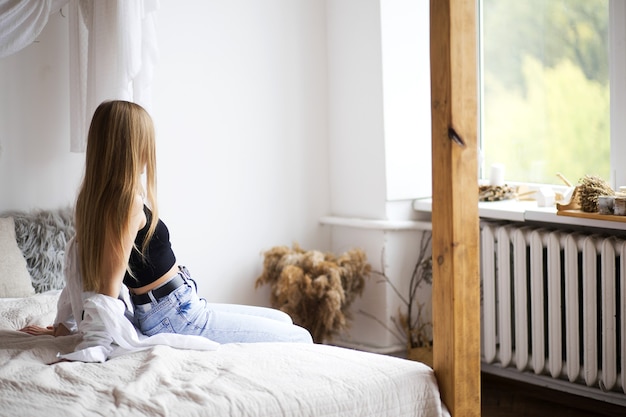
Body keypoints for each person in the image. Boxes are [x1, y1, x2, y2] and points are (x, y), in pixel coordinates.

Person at [21, 100, 313, 349]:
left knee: (282, 319)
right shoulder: (125, 204)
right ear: (132, 147)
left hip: (180, 304)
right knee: (299, 338)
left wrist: (63, 324)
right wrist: (92, 343)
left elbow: (80, 270)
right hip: (174, 314)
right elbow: (106, 286)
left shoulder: (98, 200)